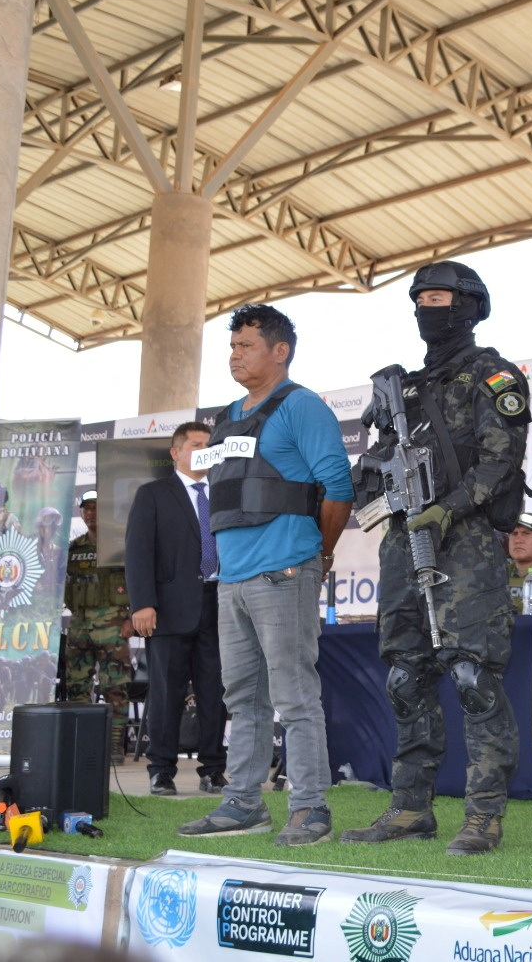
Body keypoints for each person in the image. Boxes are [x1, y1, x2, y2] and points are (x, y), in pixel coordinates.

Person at [341, 263, 532, 856]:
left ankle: (483, 816)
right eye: (420, 299)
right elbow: (369, 474)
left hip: (467, 542)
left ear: (470, 305)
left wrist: (448, 508)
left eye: (441, 298)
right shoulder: (407, 391)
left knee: (473, 677)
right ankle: (409, 808)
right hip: (403, 543)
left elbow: (501, 461)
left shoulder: (492, 375)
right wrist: (378, 480)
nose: (430, 307)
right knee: (405, 676)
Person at [178, 304, 353, 847]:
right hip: (231, 582)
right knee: (241, 697)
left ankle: (310, 808)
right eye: (232, 346)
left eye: (246, 345)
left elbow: (339, 489)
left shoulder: (302, 407)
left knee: (295, 695)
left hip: (283, 573)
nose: (235, 355)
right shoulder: (228, 416)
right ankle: (242, 804)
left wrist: (314, 556)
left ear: (280, 351)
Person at [124, 421, 229, 797]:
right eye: (197, 444)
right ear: (176, 452)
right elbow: (138, 552)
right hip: (167, 609)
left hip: (220, 605)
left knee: (214, 692)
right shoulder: (153, 494)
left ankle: (214, 769)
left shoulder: (224, 492)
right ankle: (162, 770)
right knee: (166, 693)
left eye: (209, 445)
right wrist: (143, 604)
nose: (204, 450)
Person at [59, 490, 133, 764]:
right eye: (86, 508)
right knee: (76, 685)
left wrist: (132, 617)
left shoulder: (120, 545)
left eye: (96, 508)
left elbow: (138, 581)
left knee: (115, 685)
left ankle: (115, 745)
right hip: (79, 623)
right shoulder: (73, 548)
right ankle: (83, 742)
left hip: (113, 622)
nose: (91, 513)